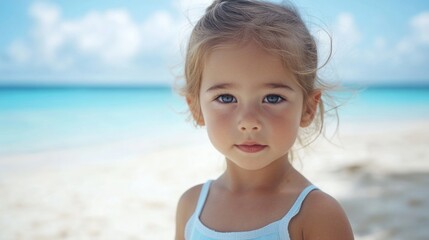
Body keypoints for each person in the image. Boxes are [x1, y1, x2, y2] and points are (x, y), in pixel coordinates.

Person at [175, 0, 354, 239]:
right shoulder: (191, 207)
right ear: (196, 107)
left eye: (272, 98)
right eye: (226, 98)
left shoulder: (316, 215)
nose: (249, 121)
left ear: (308, 108)